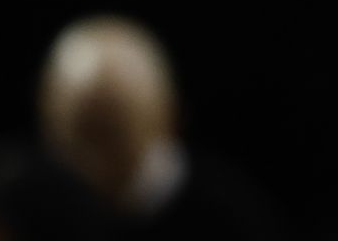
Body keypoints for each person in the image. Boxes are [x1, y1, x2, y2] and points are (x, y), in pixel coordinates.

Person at [34, 16, 283, 241]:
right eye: (78, 134)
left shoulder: (232, 219)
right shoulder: (30, 212)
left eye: (112, 133)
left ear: (167, 118)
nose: (94, 160)